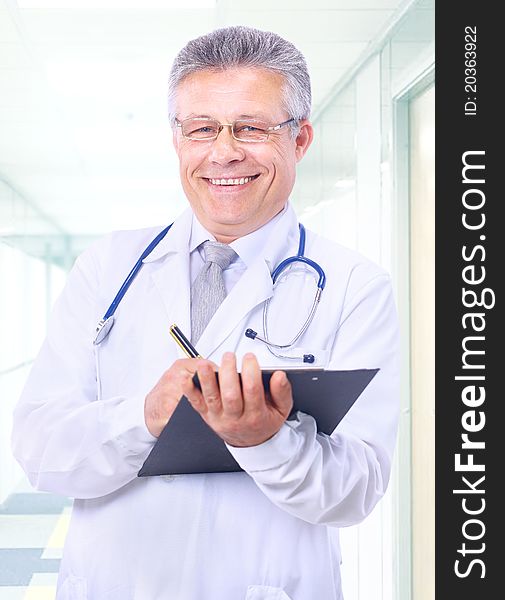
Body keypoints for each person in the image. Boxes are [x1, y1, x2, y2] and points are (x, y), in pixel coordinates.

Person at [11, 25, 400, 600]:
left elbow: (356, 491)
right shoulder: (108, 267)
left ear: (300, 139)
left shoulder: (355, 285)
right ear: (177, 141)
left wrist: (266, 441)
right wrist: (143, 417)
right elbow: (39, 450)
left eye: (251, 127)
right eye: (201, 129)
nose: (224, 151)